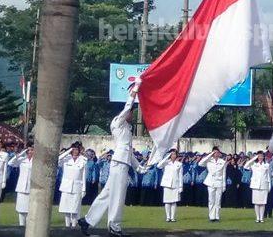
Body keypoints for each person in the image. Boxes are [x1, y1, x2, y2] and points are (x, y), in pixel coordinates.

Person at [80, 94, 143, 237]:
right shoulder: (117, 122)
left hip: (122, 162)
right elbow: (127, 107)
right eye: (132, 112)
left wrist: (140, 167)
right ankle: (114, 226)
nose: (132, 114)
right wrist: (134, 92)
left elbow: (129, 152)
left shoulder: (127, 127)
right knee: (118, 196)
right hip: (119, 163)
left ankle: (87, 220)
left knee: (107, 194)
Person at [59, 144, 88, 227]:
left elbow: (83, 175)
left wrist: (83, 189)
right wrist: (68, 150)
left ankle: (74, 226)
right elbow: (58, 159)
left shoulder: (83, 160)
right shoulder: (66, 159)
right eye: (73, 149)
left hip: (77, 187)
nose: (75, 151)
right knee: (66, 209)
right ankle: (67, 226)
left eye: (77, 150)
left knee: (75, 209)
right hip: (66, 187)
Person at [199, 146, 228, 221]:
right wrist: (210, 154)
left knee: (218, 201)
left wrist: (224, 185)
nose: (216, 154)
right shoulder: (209, 160)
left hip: (219, 182)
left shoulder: (222, 162)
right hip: (210, 182)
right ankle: (211, 217)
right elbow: (200, 163)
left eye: (217, 152)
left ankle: (217, 216)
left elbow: (224, 174)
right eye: (214, 152)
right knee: (211, 200)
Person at [8, 146, 33, 226]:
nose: (30, 152)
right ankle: (21, 224)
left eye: (32, 150)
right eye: (29, 150)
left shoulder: (36, 161)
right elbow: (10, 163)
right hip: (21, 185)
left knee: (29, 208)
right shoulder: (21, 160)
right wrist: (21, 153)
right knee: (21, 207)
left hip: (31, 186)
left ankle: (29, 225)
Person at [244, 150, 271, 223]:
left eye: (261, 156)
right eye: (259, 156)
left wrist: (269, 186)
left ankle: (261, 218)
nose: (260, 157)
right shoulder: (254, 164)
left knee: (263, 203)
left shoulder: (266, 165)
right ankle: (257, 217)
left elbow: (268, 176)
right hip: (255, 185)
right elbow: (246, 166)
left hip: (264, 185)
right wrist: (253, 158)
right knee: (256, 202)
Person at [158, 149, 184, 222]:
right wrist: (166, 157)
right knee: (167, 201)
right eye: (172, 154)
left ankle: (172, 217)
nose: (173, 156)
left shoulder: (179, 164)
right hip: (167, 184)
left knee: (174, 201)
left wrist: (180, 186)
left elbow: (180, 176)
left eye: (174, 154)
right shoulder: (166, 163)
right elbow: (159, 166)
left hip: (175, 184)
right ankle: (168, 217)